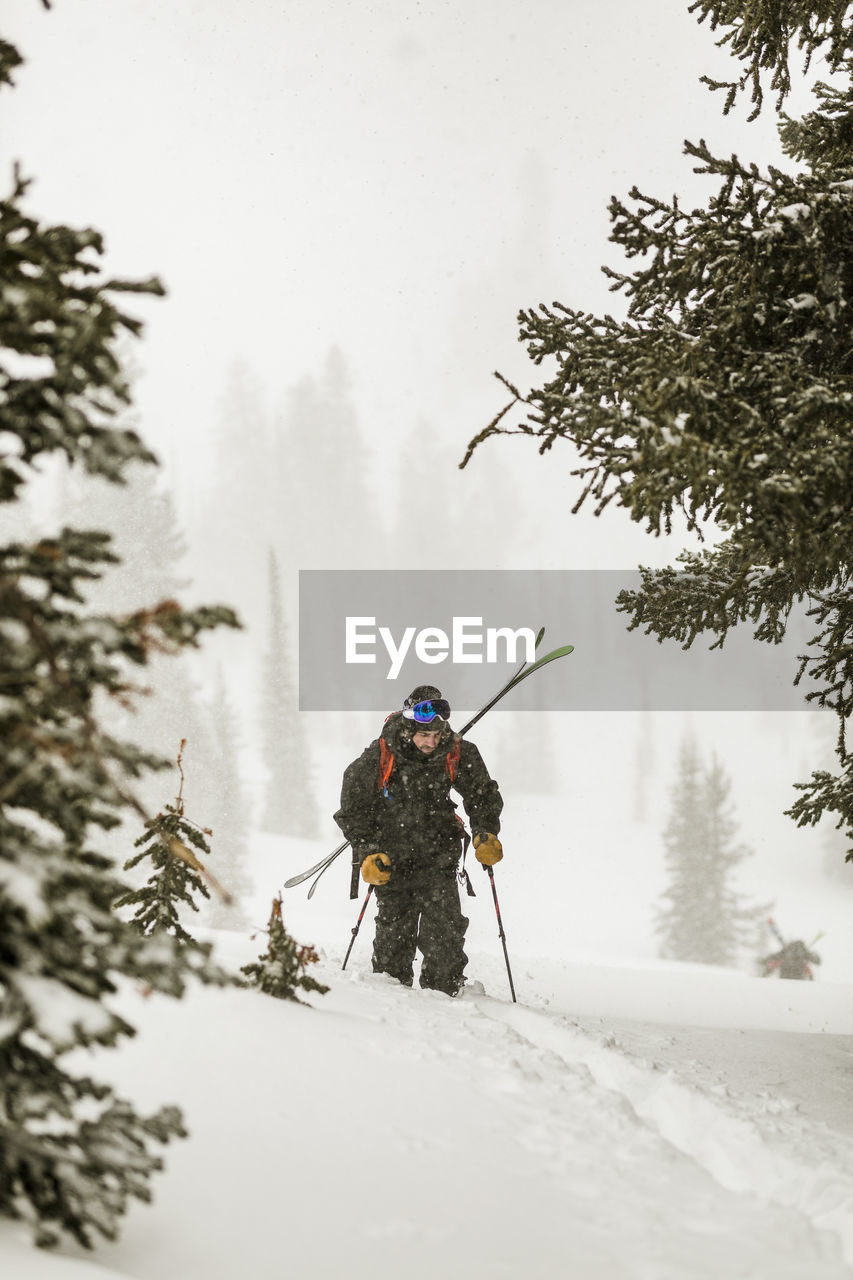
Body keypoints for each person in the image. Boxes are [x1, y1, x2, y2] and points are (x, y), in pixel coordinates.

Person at [334, 685, 504, 996]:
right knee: (392, 945)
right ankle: (392, 1004)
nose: (431, 742)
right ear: (409, 728)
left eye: (437, 735)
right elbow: (352, 808)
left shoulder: (456, 750)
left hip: (439, 853)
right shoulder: (381, 753)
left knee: (445, 936)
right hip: (392, 859)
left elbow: (483, 796)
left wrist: (485, 832)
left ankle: (446, 998)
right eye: (424, 736)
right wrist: (369, 851)